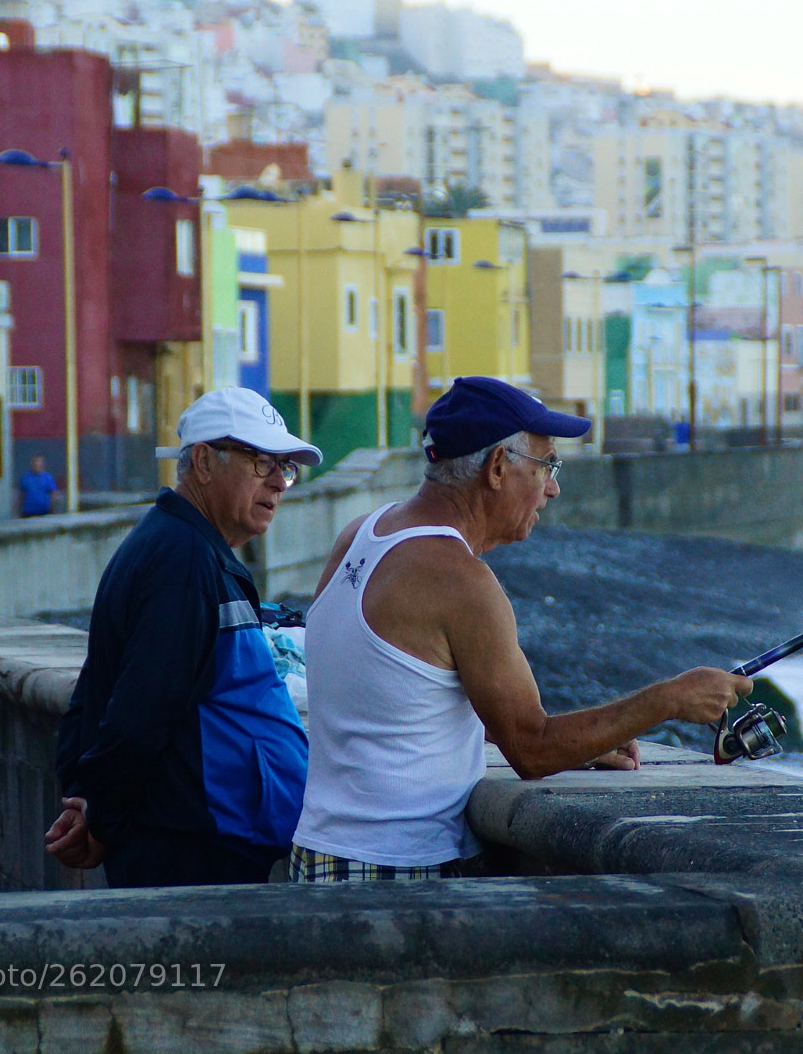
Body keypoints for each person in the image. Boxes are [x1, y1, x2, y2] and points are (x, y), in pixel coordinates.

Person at [289, 376, 751, 882]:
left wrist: (590, 741)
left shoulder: (361, 533)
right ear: (496, 468)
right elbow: (532, 749)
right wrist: (671, 698)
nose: (552, 487)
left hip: (318, 853)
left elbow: (400, 705)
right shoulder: (458, 579)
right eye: (547, 465)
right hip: (394, 868)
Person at [44, 387, 321, 886]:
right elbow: (141, 708)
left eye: (287, 467)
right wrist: (100, 816)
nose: (280, 482)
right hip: (191, 848)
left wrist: (91, 799)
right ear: (203, 461)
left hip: (196, 838)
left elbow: (99, 687)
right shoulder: (184, 561)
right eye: (262, 462)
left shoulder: (183, 547)